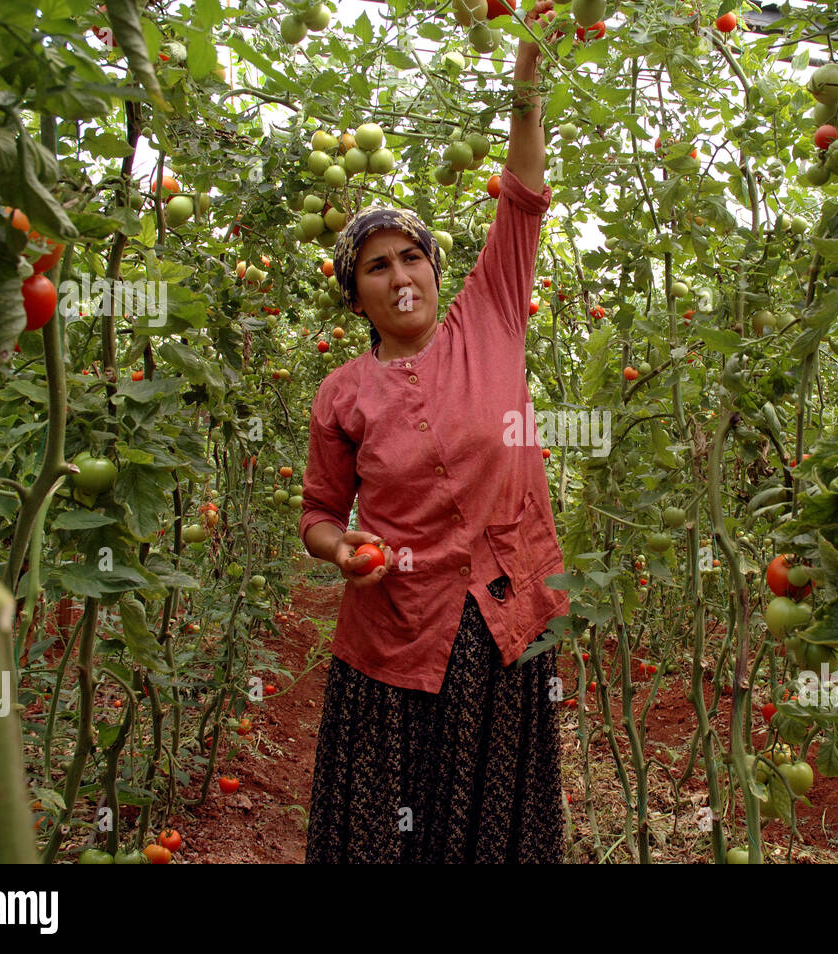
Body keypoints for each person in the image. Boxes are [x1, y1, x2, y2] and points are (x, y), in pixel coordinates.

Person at [298, 0, 570, 863]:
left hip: (502, 615)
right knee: (396, 828)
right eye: (376, 266)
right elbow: (317, 512)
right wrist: (339, 551)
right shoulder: (342, 394)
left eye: (411, 256)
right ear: (357, 296)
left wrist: (528, 75)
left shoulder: (489, 313)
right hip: (395, 635)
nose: (399, 274)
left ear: (435, 269)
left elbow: (521, 192)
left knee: (495, 821)